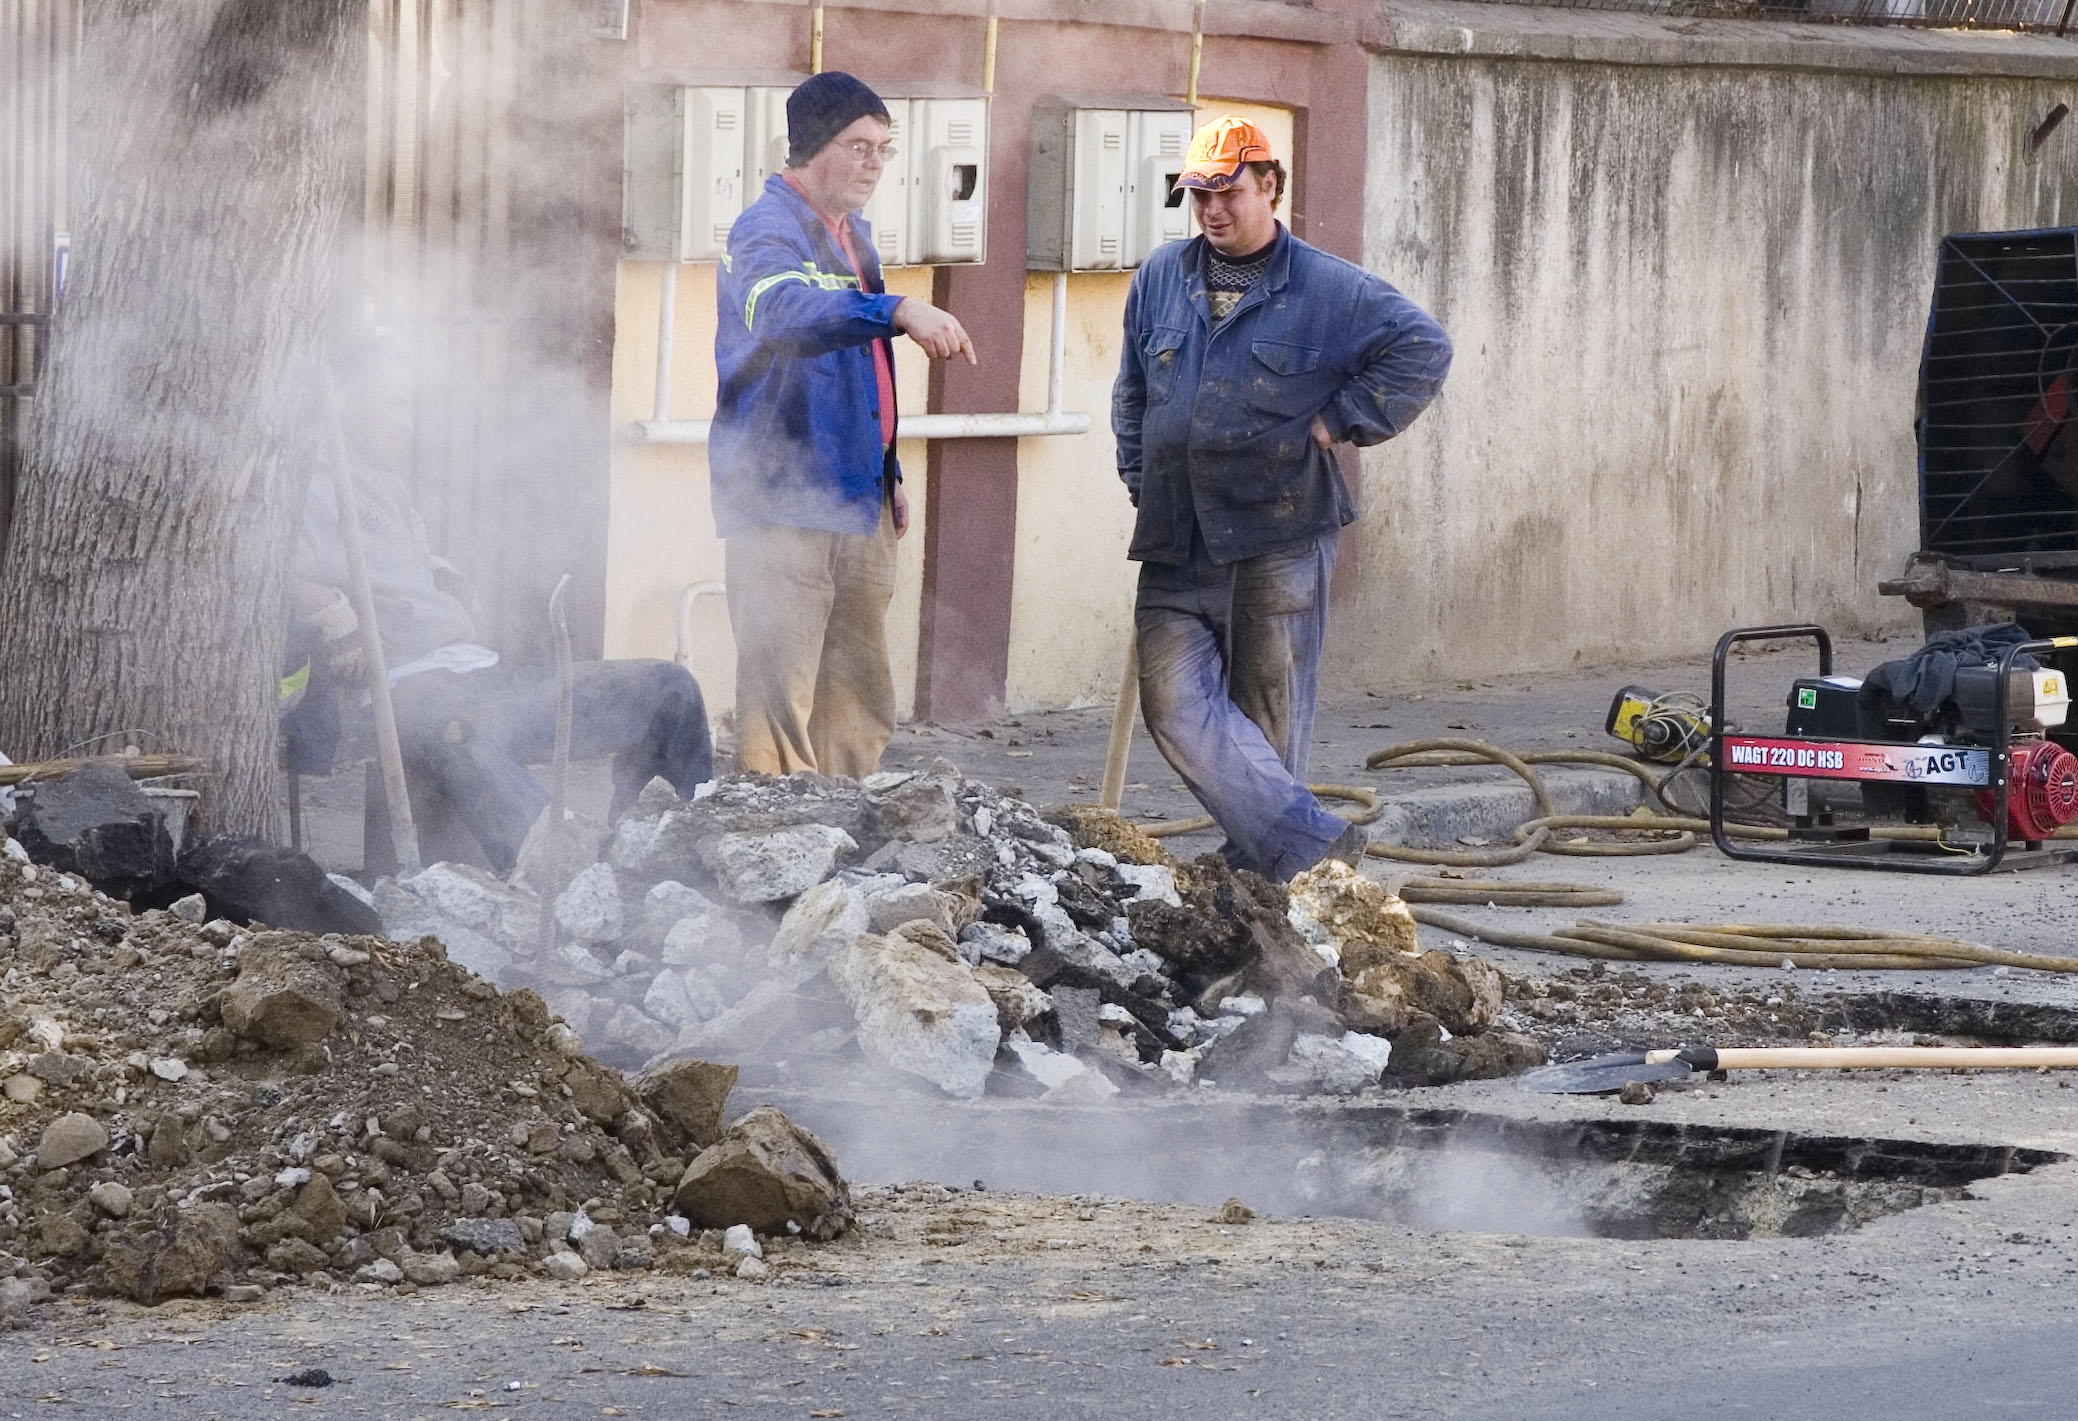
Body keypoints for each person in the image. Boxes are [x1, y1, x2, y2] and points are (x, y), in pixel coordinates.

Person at [1112, 117, 1453, 882]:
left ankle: (1264, 886)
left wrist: (1342, 419)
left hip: (1279, 535)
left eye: (1227, 192)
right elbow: (1132, 391)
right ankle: (1312, 846)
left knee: (1267, 722)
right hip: (1175, 535)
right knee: (1173, 706)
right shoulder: (1161, 276)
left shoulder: (1328, 287)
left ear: (1270, 185)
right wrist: (1140, 472)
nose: (1211, 210)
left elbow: (1423, 348)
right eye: (1198, 196)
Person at [286, 412, 713, 874]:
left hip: (480, 671)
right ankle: (567, 875)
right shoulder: (305, 494)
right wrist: (334, 616)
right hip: (408, 688)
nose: (405, 424)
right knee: (464, 736)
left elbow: (417, 567)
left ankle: (661, 861)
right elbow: (277, 577)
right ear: (352, 406)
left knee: (671, 688)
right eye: (389, 406)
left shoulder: (387, 487)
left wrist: (446, 580)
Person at [711, 71, 975, 779]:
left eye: (884, 149)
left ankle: (852, 824)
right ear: (810, 146)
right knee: (781, 702)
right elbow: (781, 314)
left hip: (858, 495)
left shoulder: (853, 235)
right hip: (782, 498)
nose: (874, 164)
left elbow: (863, 372)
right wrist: (897, 309)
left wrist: (888, 473)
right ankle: (775, 830)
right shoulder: (764, 230)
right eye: (859, 147)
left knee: (858, 693)